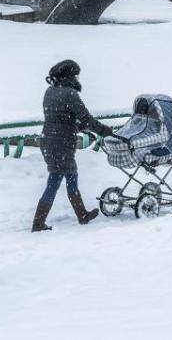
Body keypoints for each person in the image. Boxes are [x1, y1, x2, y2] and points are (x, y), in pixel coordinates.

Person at [32, 59, 115, 232]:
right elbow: (87, 118)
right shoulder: (70, 93)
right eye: (76, 75)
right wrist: (104, 130)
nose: (78, 78)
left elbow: (58, 118)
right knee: (55, 181)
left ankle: (81, 214)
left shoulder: (50, 91)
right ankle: (39, 223)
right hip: (61, 143)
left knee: (70, 176)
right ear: (70, 76)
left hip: (49, 139)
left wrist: (76, 127)